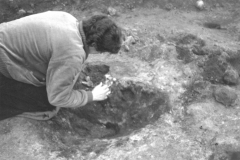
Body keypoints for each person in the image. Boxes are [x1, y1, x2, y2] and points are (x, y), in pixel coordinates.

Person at [0, 11, 122, 120]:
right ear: (94, 44)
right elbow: (57, 97)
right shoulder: (72, 53)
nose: (99, 54)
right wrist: (91, 95)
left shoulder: (67, 18)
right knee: (48, 105)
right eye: (101, 51)